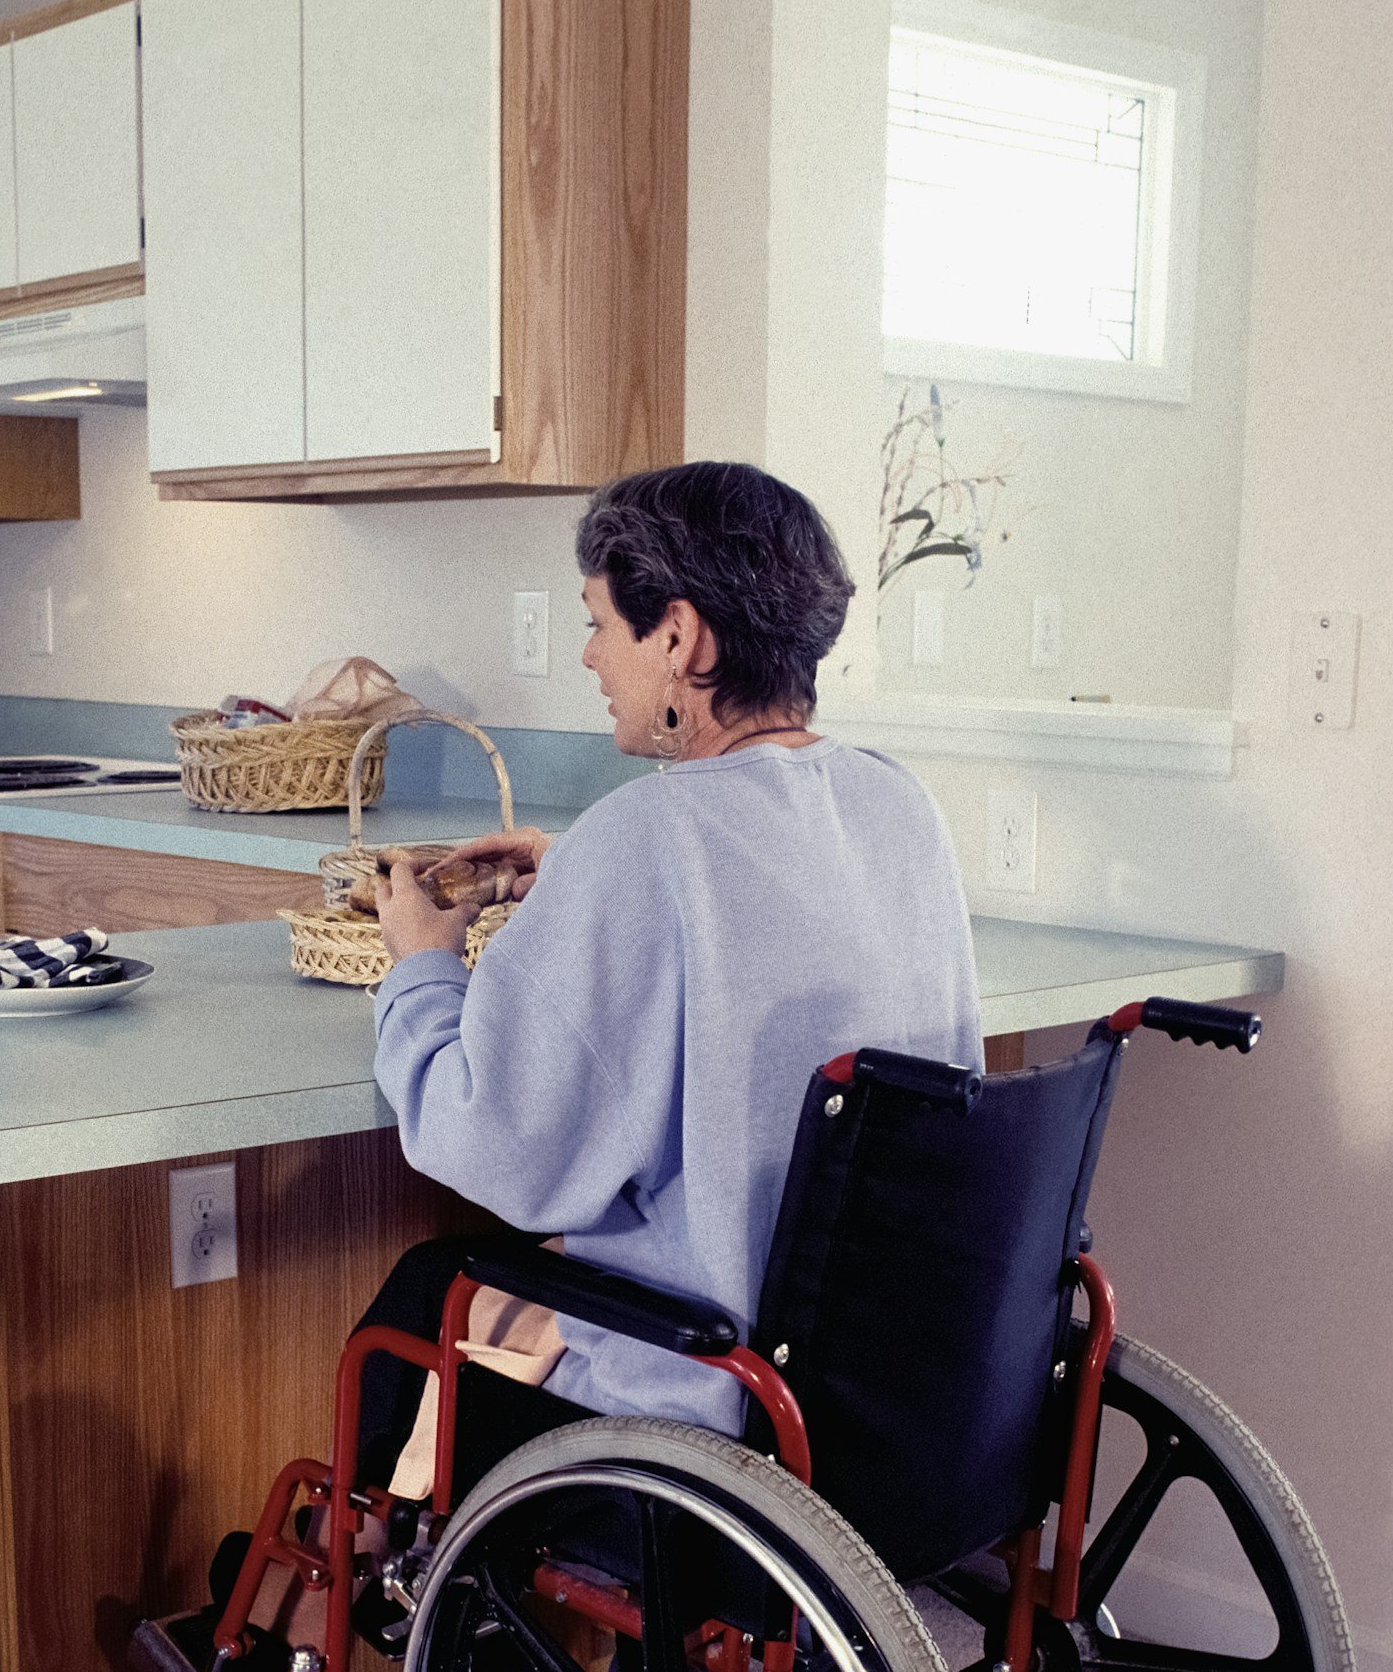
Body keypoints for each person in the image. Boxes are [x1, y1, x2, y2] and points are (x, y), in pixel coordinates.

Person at [356, 458, 981, 1495]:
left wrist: (421, 968)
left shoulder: (645, 835)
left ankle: (335, 1590)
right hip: (886, 1375)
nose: (592, 655)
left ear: (680, 637)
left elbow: (497, 1145)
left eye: (602, 621)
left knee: (430, 1285)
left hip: (716, 1393)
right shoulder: (894, 802)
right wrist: (589, 891)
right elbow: (770, 931)